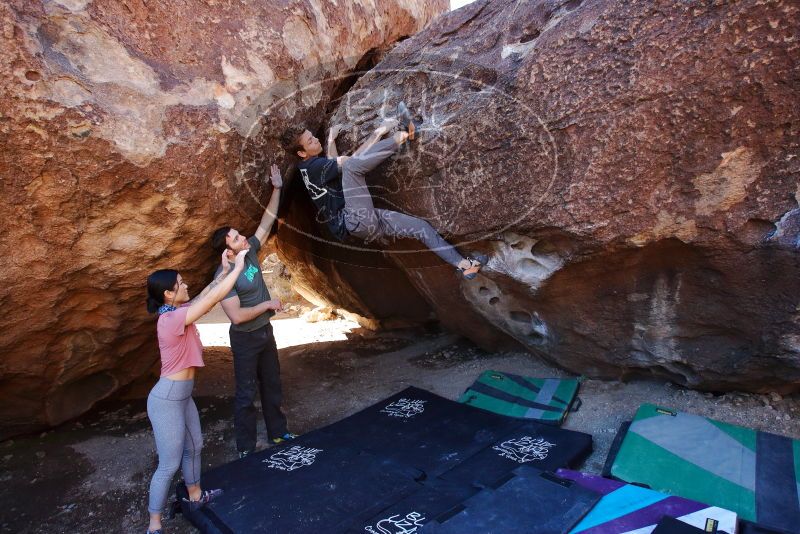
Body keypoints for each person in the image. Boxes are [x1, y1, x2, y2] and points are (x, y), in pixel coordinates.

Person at [280, 102, 487, 279]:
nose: (315, 140)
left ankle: (465, 266)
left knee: (420, 227)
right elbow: (351, 163)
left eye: (313, 137)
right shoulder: (313, 167)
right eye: (310, 141)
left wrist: (331, 141)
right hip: (355, 218)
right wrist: (379, 132)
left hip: (364, 223)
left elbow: (336, 169)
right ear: (301, 152)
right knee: (353, 167)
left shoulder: (308, 169)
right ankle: (406, 134)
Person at [144, 247, 249, 534]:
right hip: (166, 399)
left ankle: (194, 496)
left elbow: (205, 294)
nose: (186, 284)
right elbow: (212, 300)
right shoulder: (170, 319)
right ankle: (154, 526)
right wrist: (239, 268)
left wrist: (225, 270)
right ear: (168, 293)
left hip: (183, 395)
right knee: (168, 464)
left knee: (195, 446)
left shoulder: (177, 310)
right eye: (181, 283)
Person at [210, 164, 294, 459]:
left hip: (264, 333)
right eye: (234, 239)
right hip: (245, 338)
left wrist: (277, 188)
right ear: (228, 253)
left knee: (272, 383)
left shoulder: (253, 252)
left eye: (237, 234)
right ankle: (246, 448)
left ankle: (278, 433)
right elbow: (237, 316)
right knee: (246, 394)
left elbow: (267, 221)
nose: (241, 237)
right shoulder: (223, 278)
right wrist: (267, 305)